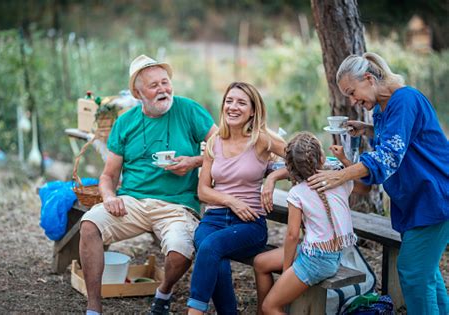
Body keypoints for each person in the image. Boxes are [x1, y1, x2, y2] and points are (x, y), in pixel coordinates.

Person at [308, 52, 449, 315]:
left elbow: (389, 156)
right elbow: (403, 141)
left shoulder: (405, 100)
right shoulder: (384, 110)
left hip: (434, 198)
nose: (353, 101)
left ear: (369, 79)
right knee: (425, 276)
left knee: (414, 273)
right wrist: (369, 130)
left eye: (352, 92)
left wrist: (339, 176)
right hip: (413, 202)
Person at [79, 54, 217, 315]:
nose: (163, 89)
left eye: (165, 82)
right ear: (137, 92)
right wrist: (109, 197)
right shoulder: (125, 123)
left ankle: (163, 292)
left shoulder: (189, 110)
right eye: (154, 86)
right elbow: (108, 176)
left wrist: (194, 162)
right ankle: (94, 307)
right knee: (89, 225)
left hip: (177, 205)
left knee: (180, 252)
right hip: (132, 201)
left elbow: (223, 146)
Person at [186, 82, 288, 314]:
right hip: (214, 219)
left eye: (241, 102)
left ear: (253, 111)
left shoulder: (260, 139)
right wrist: (232, 201)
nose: (233, 107)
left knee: (210, 248)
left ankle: (193, 311)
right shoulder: (215, 142)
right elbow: (203, 191)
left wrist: (272, 179)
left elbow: (301, 158)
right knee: (214, 254)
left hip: (249, 224)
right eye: (229, 101)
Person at [253, 132, 369, 314]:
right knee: (260, 262)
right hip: (326, 253)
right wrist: (344, 160)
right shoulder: (339, 180)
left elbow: (292, 236)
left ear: (290, 167)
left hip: (316, 259)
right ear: (322, 158)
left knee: (271, 306)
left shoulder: (297, 193)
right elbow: (364, 186)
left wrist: (286, 270)